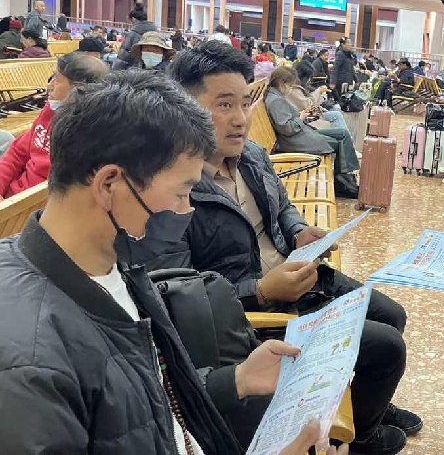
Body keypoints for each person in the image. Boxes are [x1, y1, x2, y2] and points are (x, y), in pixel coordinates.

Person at [0, 69, 347, 454]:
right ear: (110, 184)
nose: (187, 211)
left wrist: (237, 380)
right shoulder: (31, 368)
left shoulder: (112, 262)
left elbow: (144, 398)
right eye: (182, 193)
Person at [162, 44, 420, 454]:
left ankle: (369, 403)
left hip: (298, 274)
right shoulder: (175, 191)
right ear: (184, 110)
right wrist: (262, 291)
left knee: (392, 314)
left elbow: (282, 206)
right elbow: (182, 295)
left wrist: (299, 231)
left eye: (245, 103)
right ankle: (362, 439)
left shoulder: (250, 154)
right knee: (387, 347)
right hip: (255, 314)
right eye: (224, 105)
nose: (240, 119)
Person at [0, 52, 109, 198]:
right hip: (11, 192)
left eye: (57, 79)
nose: (49, 85)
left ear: (78, 89)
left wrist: (10, 205)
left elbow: (55, 193)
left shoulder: (85, 134)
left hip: (30, 204)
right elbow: (18, 151)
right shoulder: (51, 109)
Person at [265, 66, 360, 197]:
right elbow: (287, 128)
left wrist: (301, 116)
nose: (291, 89)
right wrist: (301, 118)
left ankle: (346, 177)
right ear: (282, 83)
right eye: (290, 85)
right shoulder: (276, 100)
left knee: (342, 134)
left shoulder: (275, 96)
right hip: (295, 140)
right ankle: (343, 184)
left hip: (300, 134)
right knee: (339, 143)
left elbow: (286, 123)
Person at [114, 3, 157, 70]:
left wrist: (115, 71)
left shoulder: (132, 34)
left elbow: (123, 58)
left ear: (133, 19)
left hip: (135, 72)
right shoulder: (156, 34)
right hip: (155, 72)